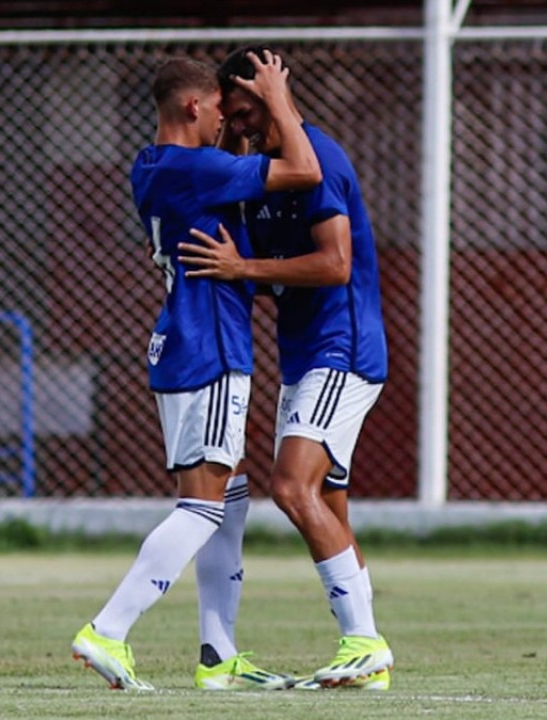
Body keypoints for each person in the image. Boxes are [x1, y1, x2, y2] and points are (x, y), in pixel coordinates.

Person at [70, 52, 321, 691]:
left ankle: (218, 653)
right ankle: (108, 629)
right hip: (210, 347)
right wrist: (277, 97)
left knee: (226, 497)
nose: (224, 124)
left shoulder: (151, 165)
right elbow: (304, 169)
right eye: (217, 110)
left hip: (180, 345)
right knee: (202, 507)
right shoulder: (200, 167)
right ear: (192, 107)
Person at [178, 45, 394, 690]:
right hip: (306, 357)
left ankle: (365, 643)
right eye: (231, 116)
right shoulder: (262, 172)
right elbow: (261, 272)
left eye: (247, 109)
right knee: (326, 501)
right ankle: (365, 654)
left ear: (275, 95)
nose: (239, 126)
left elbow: (334, 265)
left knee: (291, 486)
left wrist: (245, 270)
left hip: (343, 348)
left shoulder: (317, 158)